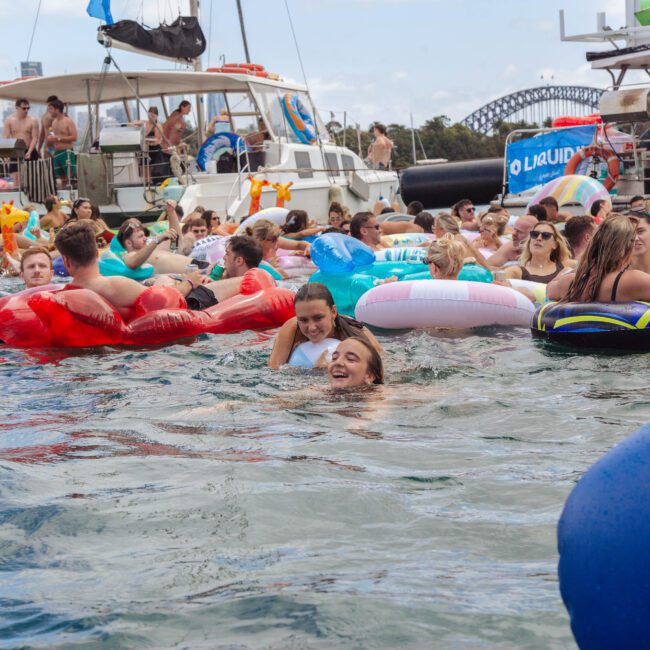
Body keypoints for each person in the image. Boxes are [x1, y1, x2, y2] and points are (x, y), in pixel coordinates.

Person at [269, 282, 382, 368]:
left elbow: (382, 365)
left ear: (333, 312)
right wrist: (315, 371)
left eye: (318, 318)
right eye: (303, 320)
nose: (312, 327)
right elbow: (274, 372)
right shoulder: (292, 329)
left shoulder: (353, 331)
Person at [547, 214, 650, 302]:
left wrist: (573, 271)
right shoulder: (635, 280)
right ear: (628, 247)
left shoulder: (570, 282)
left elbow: (548, 289)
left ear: (594, 242)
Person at [54, 221, 147, 319]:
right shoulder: (118, 286)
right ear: (97, 253)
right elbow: (160, 300)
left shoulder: (61, 299)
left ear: (66, 262)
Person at [504, 222, 574, 283]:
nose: (539, 238)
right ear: (529, 242)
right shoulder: (516, 271)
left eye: (546, 235)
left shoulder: (568, 266)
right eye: (535, 234)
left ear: (555, 244)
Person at [3, 98, 39, 184]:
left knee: (31, 179)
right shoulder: (9, 120)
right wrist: (6, 154)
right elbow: (6, 137)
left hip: (29, 150)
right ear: (17, 108)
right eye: (24, 108)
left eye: (28, 108)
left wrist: (29, 152)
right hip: (15, 151)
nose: (26, 110)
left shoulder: (33, 121)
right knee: (16, 180)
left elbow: (35, 138)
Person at [46, 99, 78, 186]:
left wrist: (58, 139)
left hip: (66, 152)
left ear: (57, 109)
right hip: (56, 153)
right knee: (61, 179)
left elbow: (74, 137)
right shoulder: (54, 122)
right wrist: (51, 150)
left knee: (70, 178)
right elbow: (53, 138)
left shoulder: (68, 121)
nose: (49, 111)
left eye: (51, 109)